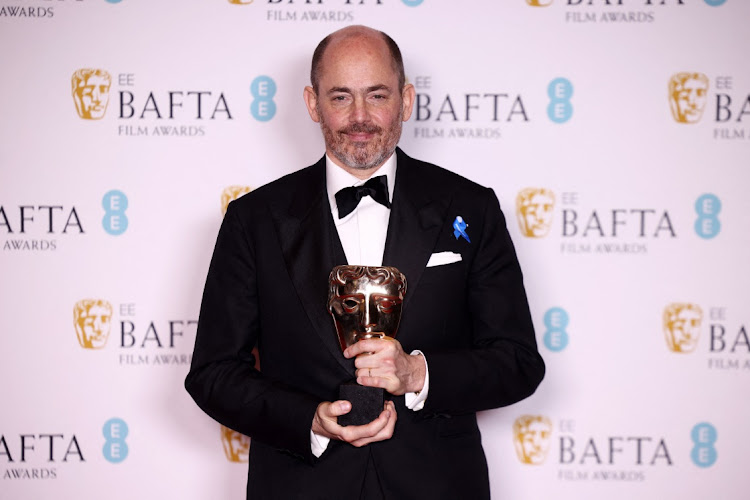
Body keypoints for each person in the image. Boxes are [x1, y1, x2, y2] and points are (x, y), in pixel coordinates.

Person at [185, 25, 545, 499]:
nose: (360, 117)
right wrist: (308, 419)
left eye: (377, 95)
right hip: (300, 484)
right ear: (313, 104)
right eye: (340, 98)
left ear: (407, 100)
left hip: (437, 485)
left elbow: (518, 363)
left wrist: (418, 374)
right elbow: (213, 374)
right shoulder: (254, 220)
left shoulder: (471, 207)